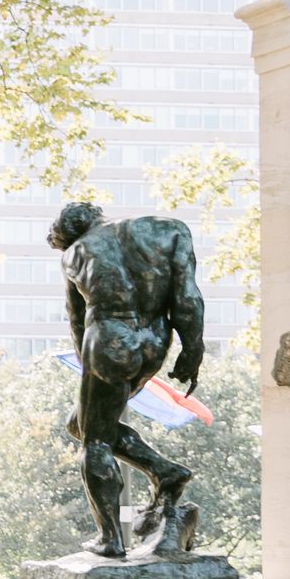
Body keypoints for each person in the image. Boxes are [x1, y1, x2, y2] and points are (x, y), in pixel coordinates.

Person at [48, 199, 208, 558]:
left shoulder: (75, 253)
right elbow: (187, 296)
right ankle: (165, 470)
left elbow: (77, 321)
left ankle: (110, 539)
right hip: (155, 341)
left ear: (69, 235)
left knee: (95, 440)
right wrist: (192, 349)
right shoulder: (169, 229)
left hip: (110, 340)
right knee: (79, 423)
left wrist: (91, 366)